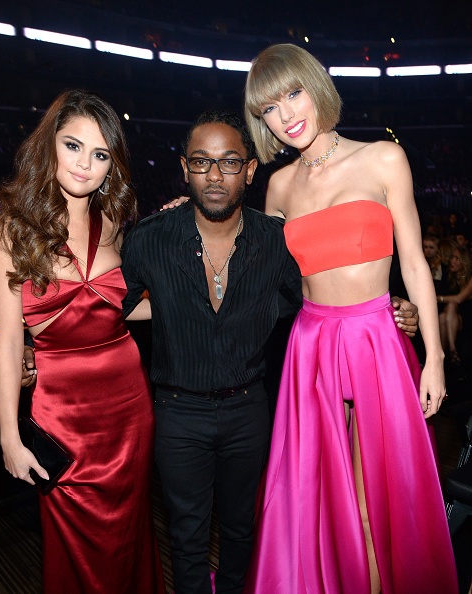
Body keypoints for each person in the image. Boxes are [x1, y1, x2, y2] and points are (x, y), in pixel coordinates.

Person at [21, 110, 419, 594]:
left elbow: (320, 297)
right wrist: (38, 346)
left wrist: (389, 307)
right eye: (201, 162)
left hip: (248, 410)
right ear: (184, 170)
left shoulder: (275, 242)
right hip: (176, 414)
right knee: (186, 539)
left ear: (249, 171)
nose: (214, 175)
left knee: (241, 533)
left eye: (229, 162)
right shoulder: (149, 238)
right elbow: (104, 309)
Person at [242, 44, 457, 594]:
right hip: (310, 345)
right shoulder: (279, 186)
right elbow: (259, 276)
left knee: (372, 501)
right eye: (269, 108)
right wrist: (192, 220)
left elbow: (414, 262)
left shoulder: (383, 159)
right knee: (314, 497)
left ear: (316, 88)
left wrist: (434, 357)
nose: (286, 115)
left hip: (375, 339)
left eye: (293, 94)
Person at [0, 89, 165, 594]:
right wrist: (9, 437)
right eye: (73, 146)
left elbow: (117, 307)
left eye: (100, 154)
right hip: (62, 417)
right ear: (49, 146)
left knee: (130, 534)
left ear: (112, 166)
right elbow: (8, 343)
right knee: (77, 546)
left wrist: (189, 301)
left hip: (129, 408)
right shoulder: (8, 233)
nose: (85, 164)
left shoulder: (116, 225)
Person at [437, 245, 472, 368]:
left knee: (451, 305)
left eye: (457, 259)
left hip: (466, 317)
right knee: (442, 317)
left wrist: (438, 298)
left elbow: (459, 299)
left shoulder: (470, 278)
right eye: (452, 257)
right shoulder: (449, 276)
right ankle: (452, 352)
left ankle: (446, 355)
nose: (452, 261)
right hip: (450, 317)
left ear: (465, 262)